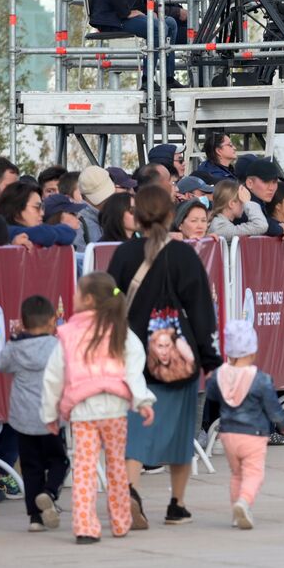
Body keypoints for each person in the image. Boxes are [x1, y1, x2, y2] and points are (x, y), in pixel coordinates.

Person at [107, 185, 222, 528]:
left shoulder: (124, 255)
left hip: (133, 357)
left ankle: (129, 490)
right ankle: (177, 504)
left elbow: (111, 299)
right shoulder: (185, 256)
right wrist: (211, 359)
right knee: (179, 432)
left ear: (138, 217)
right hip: (178, 357)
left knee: (135, 432)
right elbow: (202, 310)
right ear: (172, 216)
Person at [40, 273, 155, 544]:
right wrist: (143, 400)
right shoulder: (121, 330)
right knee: (116, 467)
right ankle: (120, 521)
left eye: (77, 293)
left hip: (82, 411)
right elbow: (133, 369)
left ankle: (85, 528)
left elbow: (54, 375)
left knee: (85, 469)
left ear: (88, 299)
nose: (74, 297)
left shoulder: (68, 333)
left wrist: (49, 413)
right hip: (115, 411)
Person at [206, 319, 284, 530]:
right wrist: (283, 423)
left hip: (227, 434)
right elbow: (272, 406)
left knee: (237, 474)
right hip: (253, 435)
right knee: (254, 473)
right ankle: (244, 502)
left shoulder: (220, 374)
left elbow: (212, 394)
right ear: (252, 351)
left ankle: (237, 511)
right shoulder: (260, 379)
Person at [0, 295, 70, 533]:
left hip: (23, 419)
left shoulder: (16, 347)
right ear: (52, 321)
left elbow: (2, 365)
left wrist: (13, 338)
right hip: (51, 418)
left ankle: (35, 518)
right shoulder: (57, 346)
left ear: (23, 322)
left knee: (31, 467)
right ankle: (48, 492)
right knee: (59, 460)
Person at [0, 182, 77, 247]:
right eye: (37, 207)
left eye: (42, 207)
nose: (42, 213)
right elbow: (44, 234)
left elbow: (69, 233)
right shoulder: (4, 232)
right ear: (16, 210)